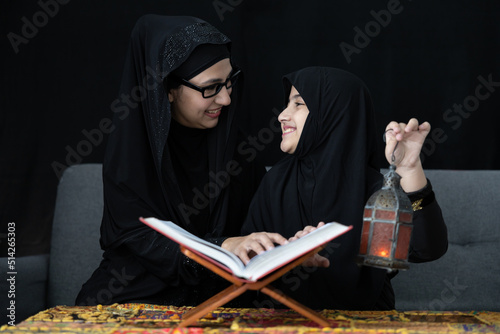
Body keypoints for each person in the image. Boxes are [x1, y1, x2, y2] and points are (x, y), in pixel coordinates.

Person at [76, 15, 273, 306]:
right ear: (167, 90)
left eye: (230, 82)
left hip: (222, 303)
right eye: (211, 88)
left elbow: (262, 221)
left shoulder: (238, 147)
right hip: (135, 298)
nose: (226, 100)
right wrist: (220, 247)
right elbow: (142, 240)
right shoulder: (132, 155)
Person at [222, 67, 448, 310]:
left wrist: (411, 169)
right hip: (284, 320)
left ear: (332, 114)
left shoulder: (375, 189)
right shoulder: (275, 182)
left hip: (366, 322)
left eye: (298, 105)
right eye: (287, 104)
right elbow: (248, 262)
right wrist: (288, 254)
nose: (282, 115)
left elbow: (426, 249)